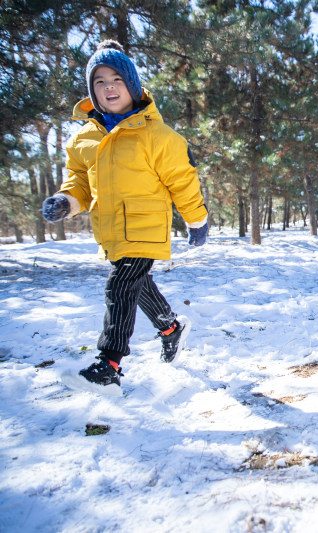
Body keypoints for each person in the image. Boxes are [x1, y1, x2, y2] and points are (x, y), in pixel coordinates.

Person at [41, 40, 209, 396]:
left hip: (146, 225)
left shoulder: (158, 136)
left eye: (116, 78)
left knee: (119, 286)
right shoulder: (83, 139)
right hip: (111, 228)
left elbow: (183, 181)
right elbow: (79, 184)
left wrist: (196, 220)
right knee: (136, 284)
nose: (108, 87)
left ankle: (109, 365)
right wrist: (65, 201)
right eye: (99, 81)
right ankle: (171, 328)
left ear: (132, 85)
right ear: (92, 91)